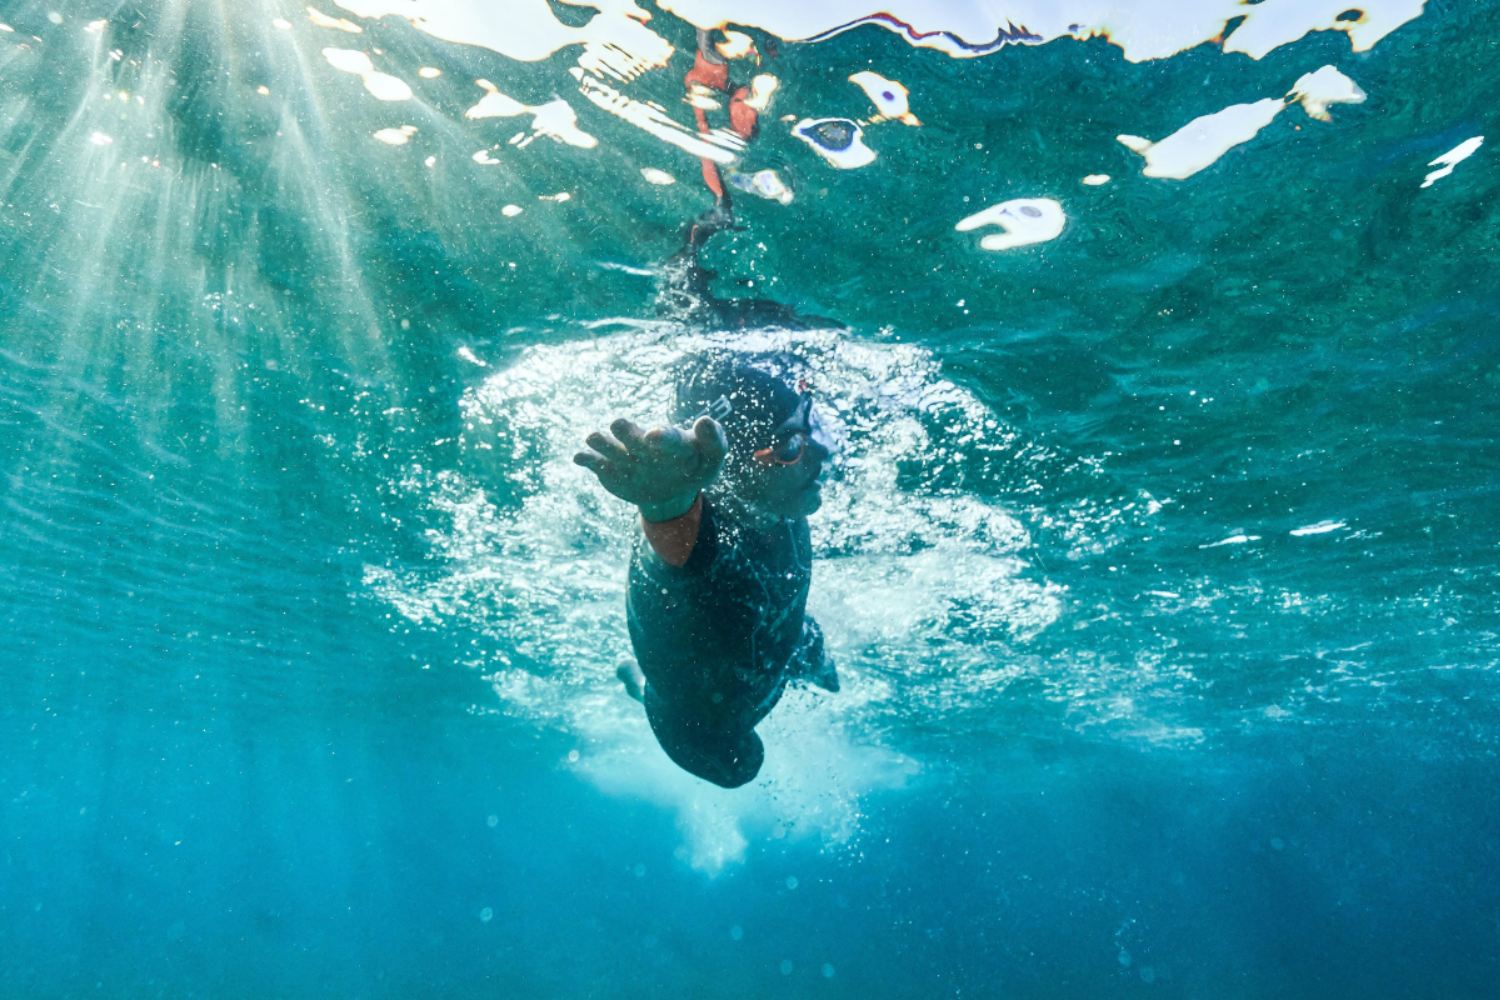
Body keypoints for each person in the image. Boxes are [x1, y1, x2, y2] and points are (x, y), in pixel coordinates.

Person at [573, 353, 839, 787]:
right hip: (698, 720)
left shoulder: (775, 501)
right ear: (735, 469)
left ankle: (801, 656)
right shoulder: (703, 538)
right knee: (739, 768)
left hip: (775, 638)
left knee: (817, 661)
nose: (819, 454)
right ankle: (638, 684)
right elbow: (676, 541)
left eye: (809, 432)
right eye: (792, 444)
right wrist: (662, 501)